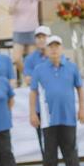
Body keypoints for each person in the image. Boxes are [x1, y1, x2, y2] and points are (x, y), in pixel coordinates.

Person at [29, 36, 84, 166]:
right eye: (51, 46)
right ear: (46, 50)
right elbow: (33, 92)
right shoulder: (39, 69)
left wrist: (82, 108)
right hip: (47, 118)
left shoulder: (71, 67)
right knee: (49, 151)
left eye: (57, 46)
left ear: (62, 48)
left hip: (68, 116)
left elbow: (80, 88)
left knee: (70, 149)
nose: (54, 49)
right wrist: (33, 113)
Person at [9, 0, 47, 76]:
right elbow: (10, 11)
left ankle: (32, 78)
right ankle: (26, 75)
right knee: (16, 58)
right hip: (19, 30)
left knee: (32, 58)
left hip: (32, 30)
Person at [23, 25, 52, 154]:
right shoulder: (30, 58)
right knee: (44, 141)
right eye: (38, 37)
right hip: (39, 106)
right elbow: (29, 80)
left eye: (43, 37)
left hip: (55, 104)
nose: (41, 40)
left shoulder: (57, 56)